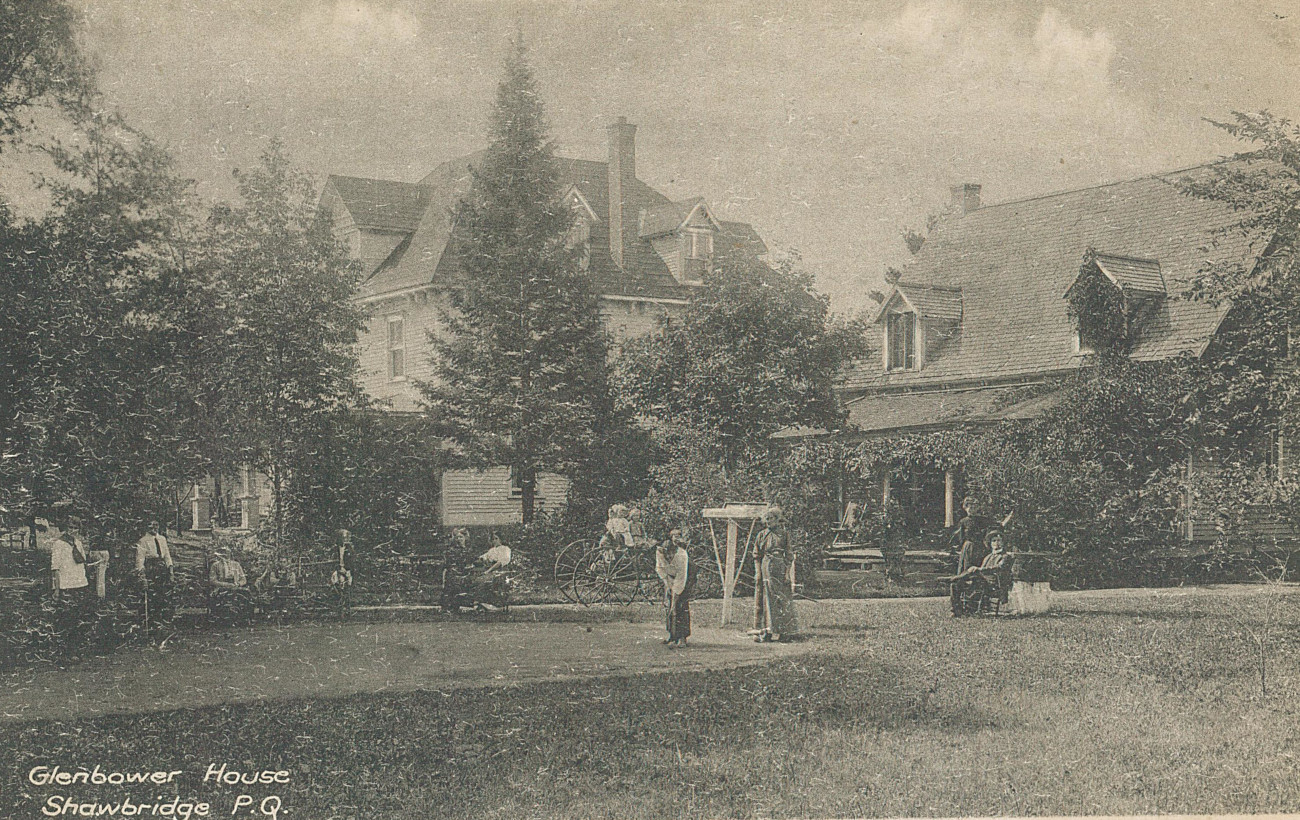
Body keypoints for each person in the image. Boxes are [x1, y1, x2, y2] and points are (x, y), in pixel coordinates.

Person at [752, 506, 801, 643]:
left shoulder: (784, 534)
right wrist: (757, 572)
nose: (768, 521)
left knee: (781, 598)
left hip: (780, 567)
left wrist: (787, 573)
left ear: (777, 519)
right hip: (765, 566)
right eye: (766, 519)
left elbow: (789, 555)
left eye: (771, 518)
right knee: (765, 598)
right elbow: (756, 555)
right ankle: (765, 631)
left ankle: (783, 631)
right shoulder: (761, 535)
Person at [943, 529, 1013, 617]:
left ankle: (953, 578)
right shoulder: (988, 556)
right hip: (981, 581)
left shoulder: (1005, 556)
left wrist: (979, 569)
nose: (996, 543)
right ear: (990, 543)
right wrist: (977, 570)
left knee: (972, 572)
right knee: (955, 584)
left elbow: (998, 568)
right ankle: (956, 611)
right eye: (993, 541)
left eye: (999, 540)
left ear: (1003, 543)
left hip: (994, 584)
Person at [656, 528, 694, 647]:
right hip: (671, 577)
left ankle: (682, 638)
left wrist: (675, 596)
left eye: (670, 554)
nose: (668, 556)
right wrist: (667, 584)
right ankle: (672, 636)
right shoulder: (660, 553)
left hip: (686, 576)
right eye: (666, 554)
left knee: (680, 606)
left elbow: (681, 579)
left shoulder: (681, 555)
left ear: (674, 551)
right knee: (669, 606)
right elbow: (660, 569)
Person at [135, 522, 175, 620]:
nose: (154, 527)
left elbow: (167, 555)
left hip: (162, 568)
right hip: (151, 568)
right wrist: (142, 574)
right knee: (151, 594)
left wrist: (170, 570)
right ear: (147, 527)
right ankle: (150, 618)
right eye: (151, 525)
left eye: (156, 525)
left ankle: (163, 618)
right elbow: (140, 559)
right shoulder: (143, 541)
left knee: (164, 593)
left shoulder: (162, 539)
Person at [209, 546, 253, 623]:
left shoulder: (236, 564)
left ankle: (246, 617)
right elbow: (213, 580)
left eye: (227, 554)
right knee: (217, 597)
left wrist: (238, 584)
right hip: (221, 587)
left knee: (247, 595)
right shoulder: (215, 565)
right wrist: (225, 584)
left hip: (236, 586)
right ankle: (217, 616)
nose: (225, 556)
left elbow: (243, 579)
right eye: (223, 554)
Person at [949, 497, 995, 573]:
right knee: (967, 568)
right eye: (969, 507)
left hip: (980, 547)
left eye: (974, 508)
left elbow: (989, 531)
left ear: (977, 508)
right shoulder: (963, 521)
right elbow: (961, 536)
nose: (971, 510)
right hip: (968, 547)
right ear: (965, 508)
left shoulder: (983, 520)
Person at [49, 524, 90, 604]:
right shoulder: (59, 544)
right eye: (70, 527)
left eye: (76, 528)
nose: (72, 530)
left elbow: (82, 562)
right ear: (66, 528)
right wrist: (57, 589)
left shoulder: (78, 543)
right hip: (65, 585)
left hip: (80, 583)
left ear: (79, 530)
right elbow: (55, 567)